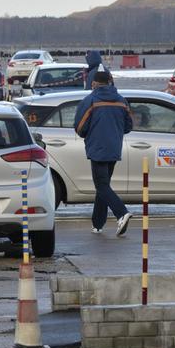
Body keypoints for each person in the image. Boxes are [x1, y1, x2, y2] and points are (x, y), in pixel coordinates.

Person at [74, 70, 133, 235]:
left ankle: (121, 213)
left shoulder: (90, 100)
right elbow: (129, 126)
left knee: (101, 185)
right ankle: (98, 224)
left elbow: (80, 127)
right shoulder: (121, 101)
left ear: (93, 83)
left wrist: (91, 135)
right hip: (114, 148)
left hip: (97, 149)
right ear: (110, 82)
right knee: (103, 185)